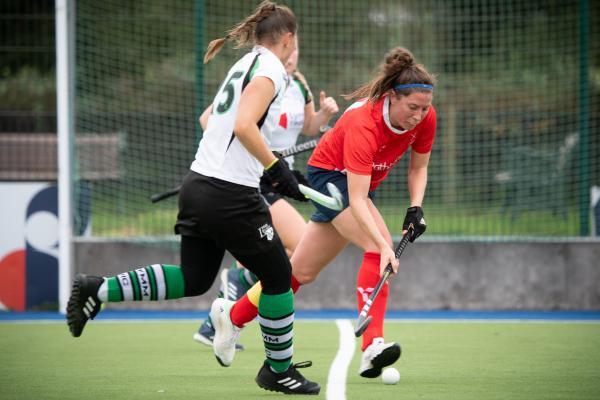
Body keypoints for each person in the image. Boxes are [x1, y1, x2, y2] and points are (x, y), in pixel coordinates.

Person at [65, 1, 321, 395]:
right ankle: (278, 369)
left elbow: (222, 125)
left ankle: (96, 287)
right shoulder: (271, 68)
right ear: (288, 38)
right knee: (278, 276)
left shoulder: (245, 64)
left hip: (199, 185)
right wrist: (276, 170)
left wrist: (274, 169)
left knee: (193, 278)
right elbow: (244, 126)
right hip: (230, 193)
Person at [212, 46, 436, 379]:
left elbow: (418, 168)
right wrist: (386, 245)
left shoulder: (425, 118)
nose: (418, 116)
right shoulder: (365, 123)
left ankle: (233, 316)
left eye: (424, 108)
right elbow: (357, 201)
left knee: (298, 273)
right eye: (412, 108)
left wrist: (415, 207)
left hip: (359, 185)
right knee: (377, 248)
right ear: (391, 97)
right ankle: (372, 346)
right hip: (330, 176)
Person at [193, 39, 339, 349]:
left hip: (279, 179)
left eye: (298, 47)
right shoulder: (261, 78)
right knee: (299, 249)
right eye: (290, 46)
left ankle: (217, 319)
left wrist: (324, 115)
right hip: (255, 177)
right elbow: (209, 120)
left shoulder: (298, 85)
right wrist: (252, 151)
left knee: (281, 257)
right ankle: (237, 289)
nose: (293, 53)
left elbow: (309, 127)